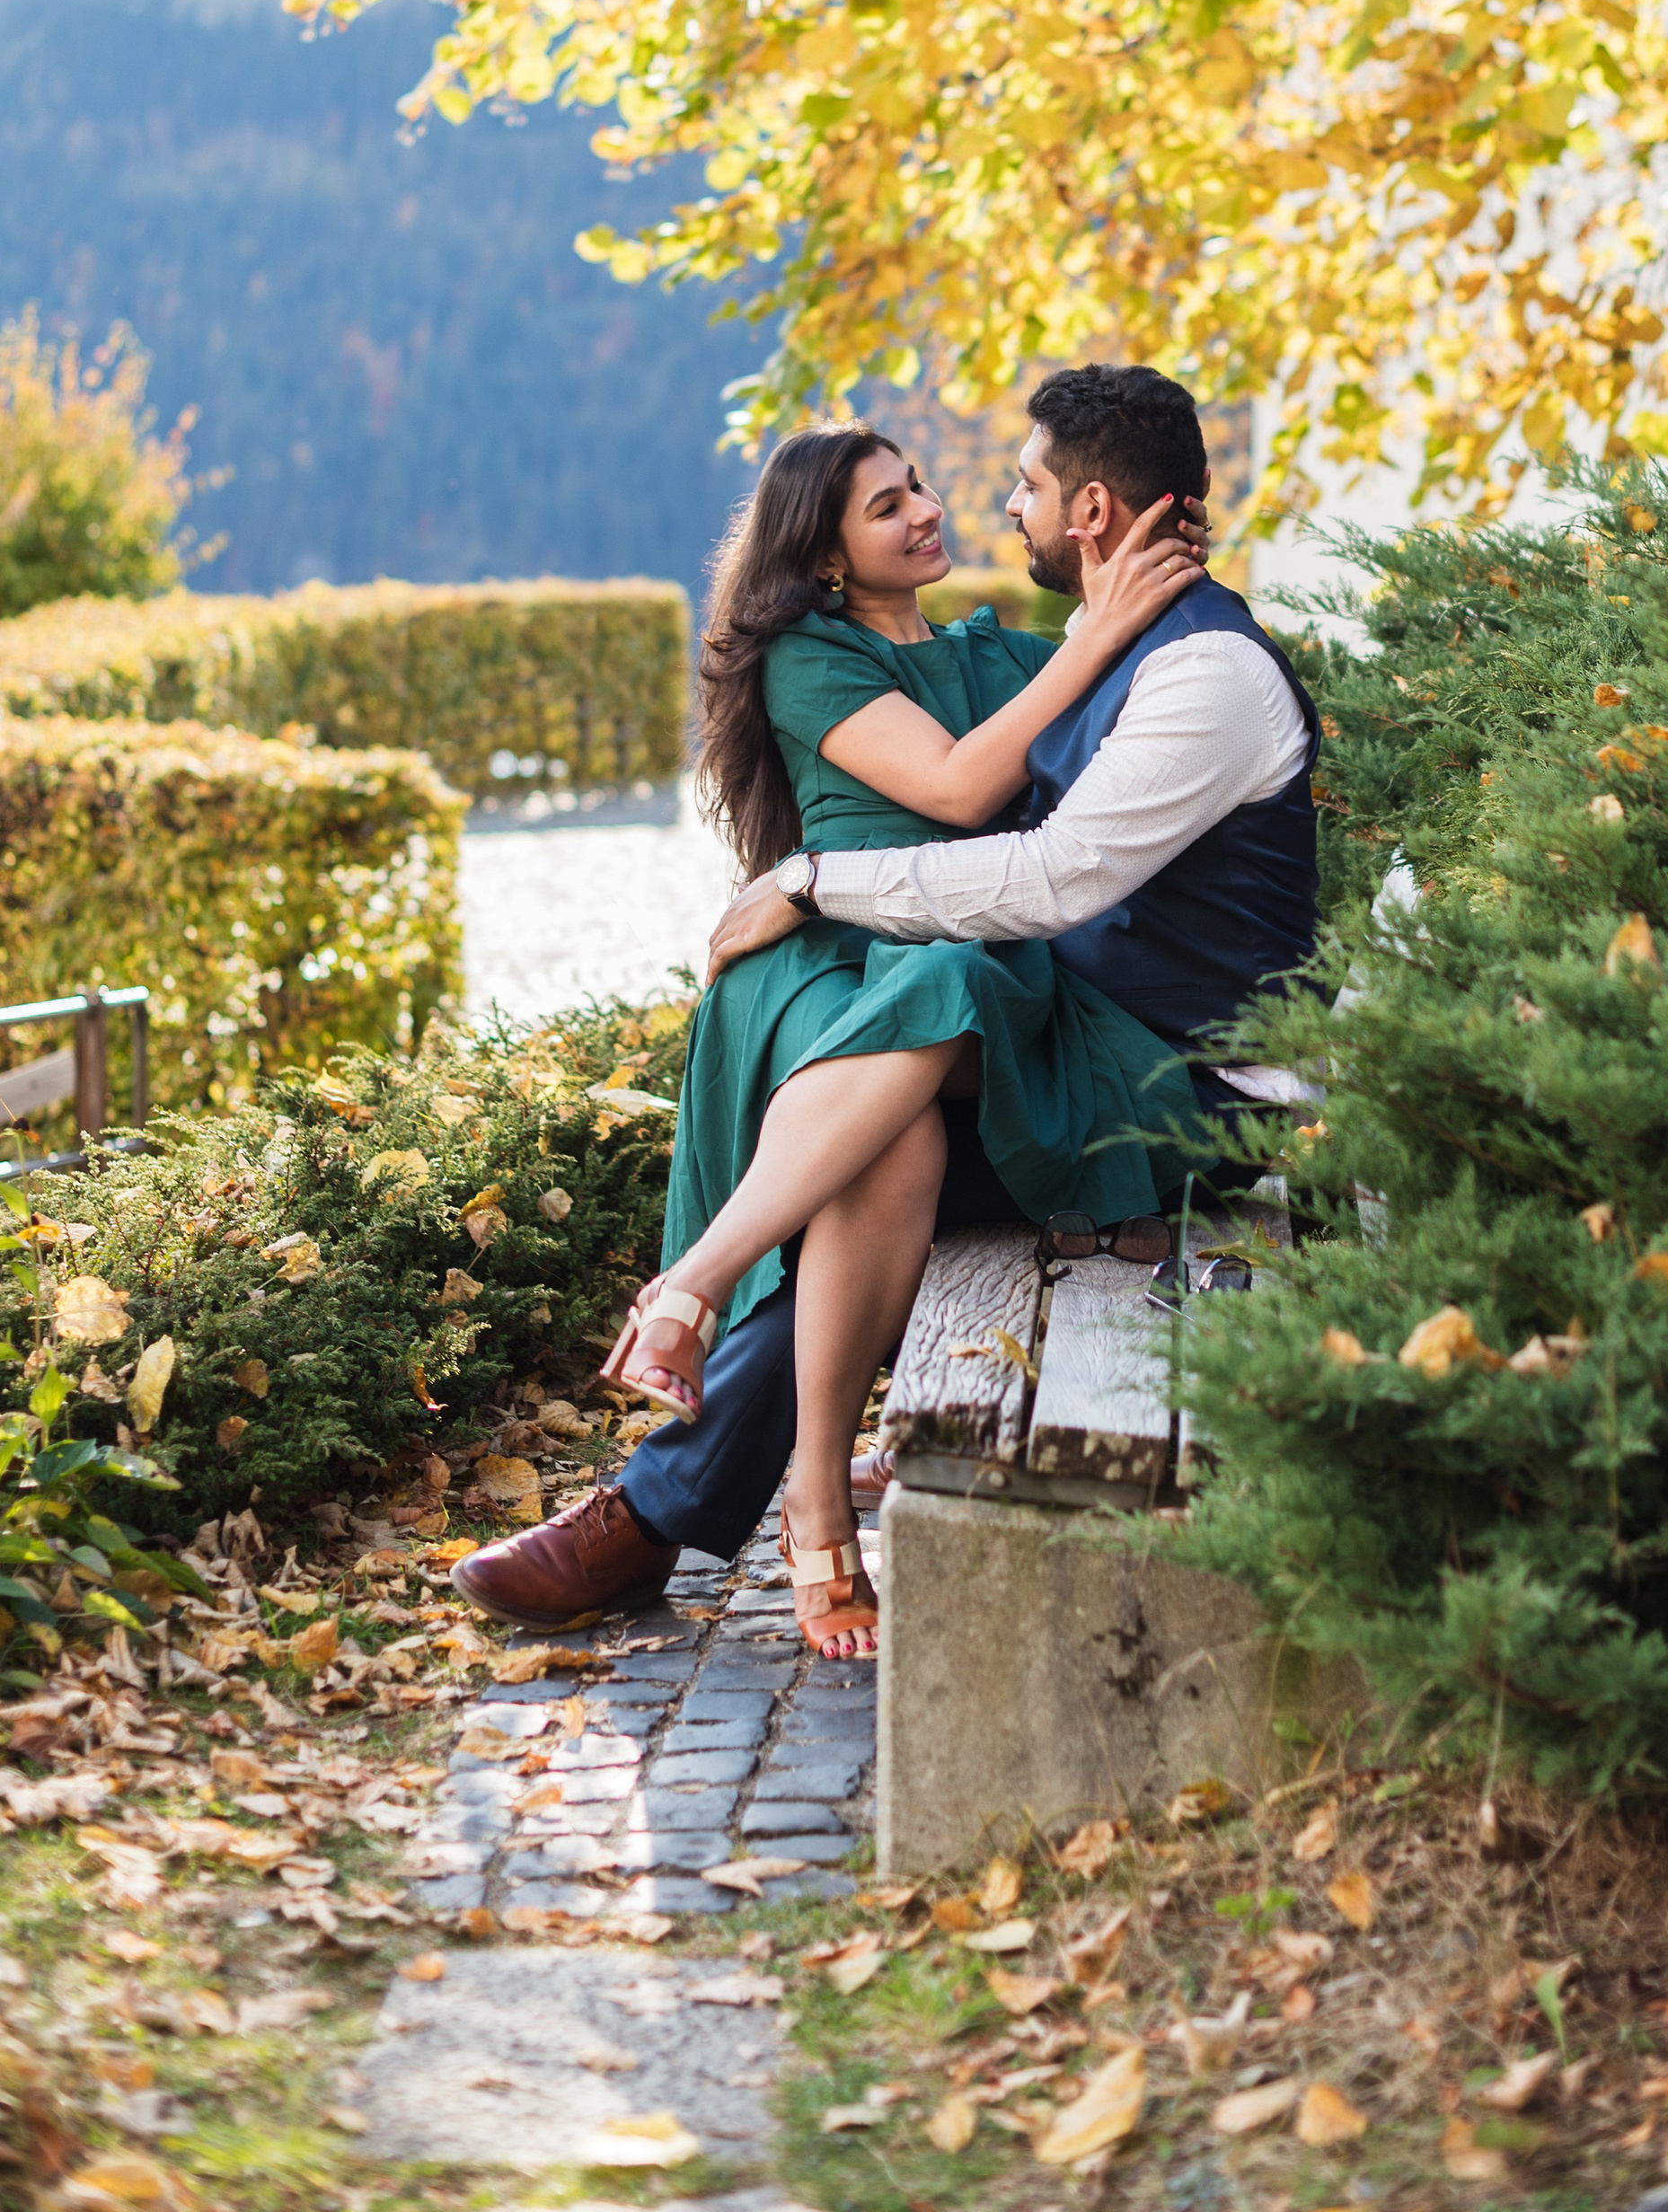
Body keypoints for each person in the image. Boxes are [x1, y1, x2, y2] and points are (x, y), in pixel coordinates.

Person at [452, 365, 1319, 1646]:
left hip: (1176, 1089)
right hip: (1032, 1036)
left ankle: (674, 1464)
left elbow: (1041, 867)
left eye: (1018, 483)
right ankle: (759, 1494)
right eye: (895, 497)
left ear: (1087, 514)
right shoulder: (1075, 649)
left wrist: (808, 878)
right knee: (890, 1144)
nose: (973, 505)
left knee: (898, 1105)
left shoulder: (1192, 673)